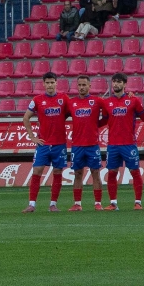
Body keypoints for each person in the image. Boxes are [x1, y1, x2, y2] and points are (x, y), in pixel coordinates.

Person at [21, 73, 69, 212]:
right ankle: (32, 204)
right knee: (37, 170)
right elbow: (26, 118)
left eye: (52, 82)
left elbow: (72, 112)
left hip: (59, 143)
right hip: (43, 143)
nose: (50, 85)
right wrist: (32, 137)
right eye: (47, 83)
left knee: (58, 171)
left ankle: (53, 204)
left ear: (56, 83)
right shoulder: (37, 100)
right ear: (43, 84)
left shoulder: (64, 98)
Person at [100, 73, 144, 210]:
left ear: (125, 84)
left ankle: (138, 202)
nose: (116, 84)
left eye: (119, 82)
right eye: (114, 81)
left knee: (135, 172)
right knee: (112, 173)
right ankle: (113, 203)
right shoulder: (107, 102)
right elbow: (104, 120)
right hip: (113, 145)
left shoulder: (133, 100)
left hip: (129, 144)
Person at [64, 75, 107, 212]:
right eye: (80, 85)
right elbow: (61, 116)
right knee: (77, 173)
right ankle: (77, 204)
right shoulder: (71, 102)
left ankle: (98, 203)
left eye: (84, 85)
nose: (82, 87)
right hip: (77, 145)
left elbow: (108, 114)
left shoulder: (97, 101)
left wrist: (97, 125)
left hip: (92, 144)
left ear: (89, 86)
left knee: (95, 172)